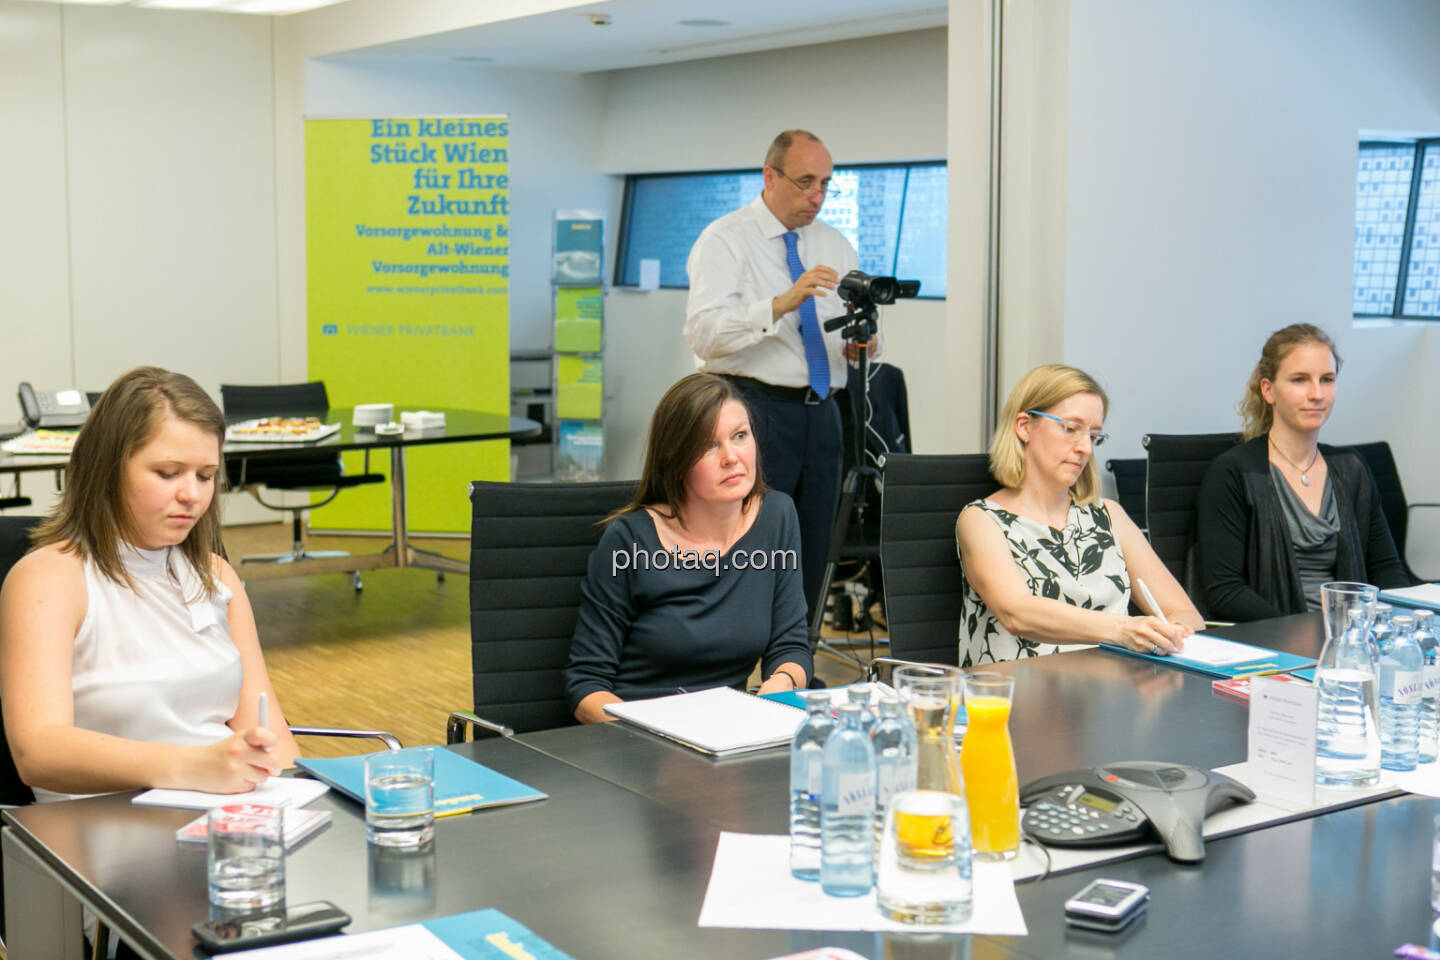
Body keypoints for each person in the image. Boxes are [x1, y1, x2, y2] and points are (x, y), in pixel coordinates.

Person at [0, 366, 300, 803]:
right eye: (167, 473)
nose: (192, 495)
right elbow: (39, 752)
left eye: (204, 475)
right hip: (100, 832)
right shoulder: (50, 578)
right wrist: (196, 767)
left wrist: (298, 802)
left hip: (224, 812)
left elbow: (273, 732)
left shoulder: (214, 575)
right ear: (107, 470)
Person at [685, 128, 873, 617]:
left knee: (813, 548)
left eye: (826, 185)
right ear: (770, 176)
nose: (817, 196)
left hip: (824, 413)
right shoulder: (725, 241)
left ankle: (795, 667)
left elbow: (850, 334)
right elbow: (703, 335)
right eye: (805, 182)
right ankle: (731, 669)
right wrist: (780, 304)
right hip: (753, 410)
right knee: (748, 547)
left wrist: (865, 343)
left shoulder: (834, 244)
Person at [563, 373, 813, 723]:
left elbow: (791, 646)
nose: (732, 457)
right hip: (636, 738)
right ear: (676, 462)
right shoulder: (630, 540)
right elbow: (585, 685)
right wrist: (648, 738)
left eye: (740, 436)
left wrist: (777, 687)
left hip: (728, 737)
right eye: (709, 446)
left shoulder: (777, 516)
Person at [955, 364, 1204, 665]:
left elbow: (1186, 614)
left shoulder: (1108, 516)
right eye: (1071, 429)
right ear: (1024, 426)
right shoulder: (982, 520)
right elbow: (1017, 613)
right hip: (1016, 701)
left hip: (1111, 695)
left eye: (1094, 435)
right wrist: (1123, 629)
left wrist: (1171, 634)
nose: (1085, 448)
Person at [1195, 324, 1410, 621]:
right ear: (1268, 390)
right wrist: (1304, 632)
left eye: (1327, 379)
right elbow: (1226, 591)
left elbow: (1386, 567)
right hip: (1275, 643)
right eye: (1300, 380)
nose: (1317, 393)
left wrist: (1396, 622)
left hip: (1352, 637)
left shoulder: (1352, 469)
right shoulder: (1234, 473)